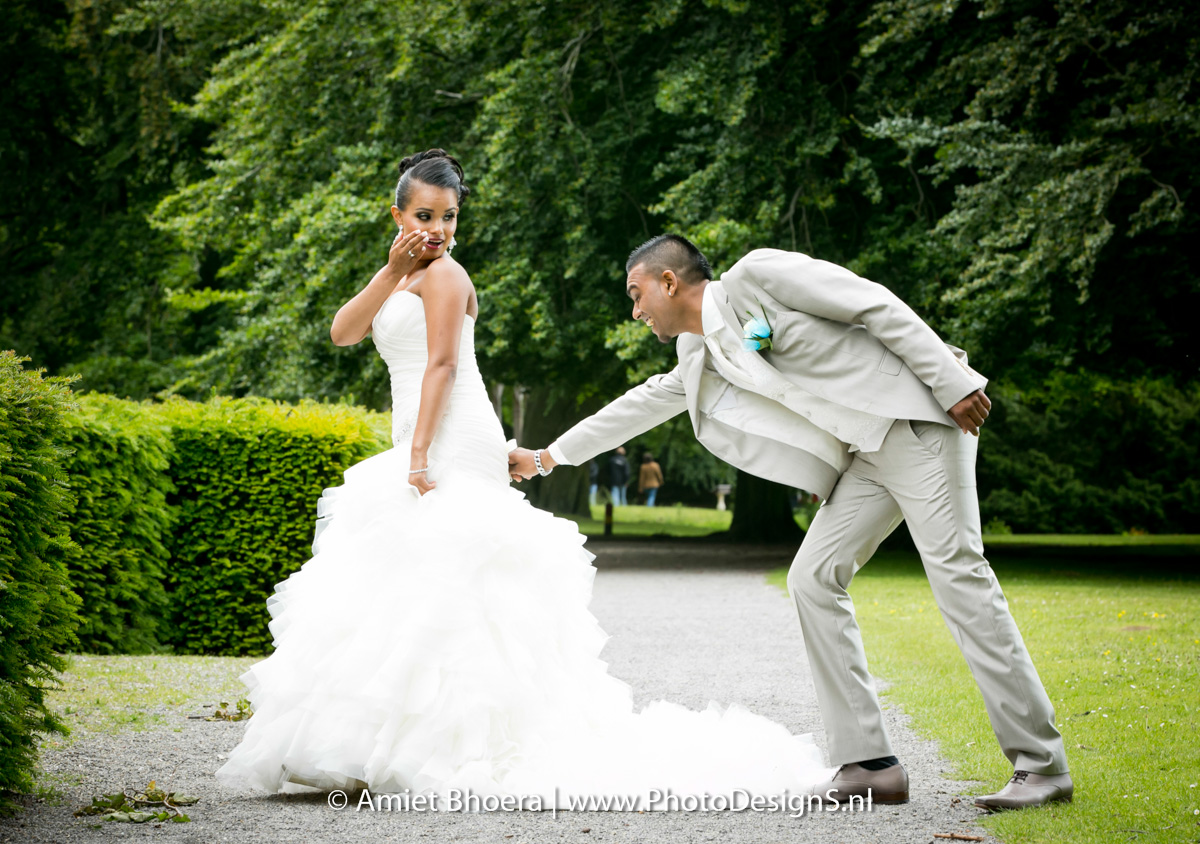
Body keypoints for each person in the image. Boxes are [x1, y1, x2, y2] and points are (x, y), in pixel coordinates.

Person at [214, 153, 832, 803]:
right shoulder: (401, 278)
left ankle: (460, 746)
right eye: (424, 216)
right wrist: (391, 269)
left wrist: (419, 454)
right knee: (403, 581)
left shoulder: (448, 277)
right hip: (423, 435)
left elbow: (444, 367)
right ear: (397, 216)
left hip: (455, 436)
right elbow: (344, 332)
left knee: (454, 582)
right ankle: (373, 746)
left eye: (449, 217)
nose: (438, 229)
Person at [510, 234, 1072, 811]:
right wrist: (548, 456)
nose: (635, 311)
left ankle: (1041, 765)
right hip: (866, 459)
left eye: (637, 294)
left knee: (959, 578)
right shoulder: (697, 355)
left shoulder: (759, 277)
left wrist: (952, 383)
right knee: (812, 579)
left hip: (920, 421)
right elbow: (643, 402)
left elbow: (872, 303)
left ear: (669, 282)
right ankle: (870, 765)